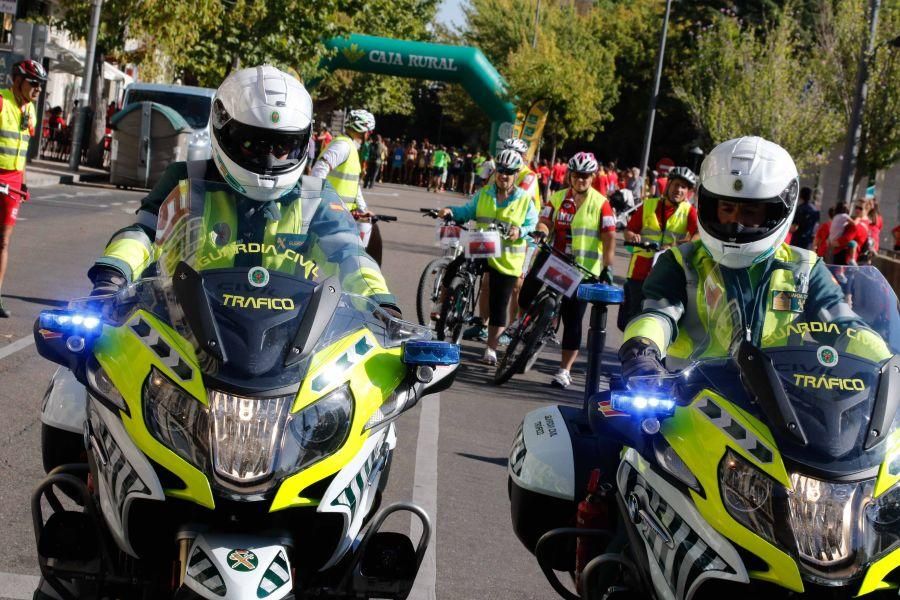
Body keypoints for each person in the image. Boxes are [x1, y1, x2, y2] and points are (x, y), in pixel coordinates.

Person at [87, 65, 399, 318]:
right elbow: (142, 233)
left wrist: (382, 303)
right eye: (253, 144)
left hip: (288, 338)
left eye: (283, 146)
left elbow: (348, 254)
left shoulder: (315, 196)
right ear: (223, 128)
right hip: (184, 326)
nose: (269, 157)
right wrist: (111, 275)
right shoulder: (186, 178)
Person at [619, 136, 888, 381]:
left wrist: (885, 360)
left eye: (750, 212)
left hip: (781, 408)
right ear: (710, 205)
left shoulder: (804, 269)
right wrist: (641, 347)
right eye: (727, 208)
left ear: (777, 211)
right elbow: (658, 314)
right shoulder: (681, 261)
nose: (736, 222)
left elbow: (843, 325)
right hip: (688, 401)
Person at [435, 149, 538, 365]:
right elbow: (467, 210)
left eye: (509, 172)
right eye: (501, 170)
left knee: (499, 303)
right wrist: (450, 211)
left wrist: (520, 231)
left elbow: (533, 226)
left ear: (516, 174)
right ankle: (443, 309)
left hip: (506, 258)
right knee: (454, 267)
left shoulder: (524, 200)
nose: (503, 175)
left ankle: (491, 348)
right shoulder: (485, 193)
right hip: (482, 248)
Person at [533, 152, 616, 387]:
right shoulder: (559, 197)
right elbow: (545, 220)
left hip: (583, 270)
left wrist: (607, 267)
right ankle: (524, 326)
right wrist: (541, 230)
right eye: (578, 175)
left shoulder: (602, 204)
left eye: (586, 176)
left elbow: (609, 237)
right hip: (556, 260)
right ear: (570, 175)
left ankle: (564, 370)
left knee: (573, 320)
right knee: (530, 290)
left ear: (592, 177)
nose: (581, 180)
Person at [618, 165, 699, 331]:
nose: (679, 190)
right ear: (668, 185)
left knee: (658, 321)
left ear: (688, 191)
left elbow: (698, 235)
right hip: (639, 271)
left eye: (683, 187)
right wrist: (632, 236)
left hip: (667, 273)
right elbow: (629, 230)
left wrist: (680, 245)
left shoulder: (689, 211)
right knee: (632, 319)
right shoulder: (649, 205)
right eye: (676, 184)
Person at [0, 59, 45, 318]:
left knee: (3, 242)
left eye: (40, 85)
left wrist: (24, 181)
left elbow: (23, 149)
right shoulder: (1, 101)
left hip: (14, 181)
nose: (38, 89)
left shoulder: (31, 111)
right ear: (18, 81)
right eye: (34, 83)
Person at [310, 108, 375, 214]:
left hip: (342, 213)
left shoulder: (351, 147)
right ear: (363, 130)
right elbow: (319, 170)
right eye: (370, 131)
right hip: (330, 212)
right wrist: (316, 202)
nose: (369, 135)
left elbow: (354, 185)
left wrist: (363, 209)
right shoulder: (343, 146)